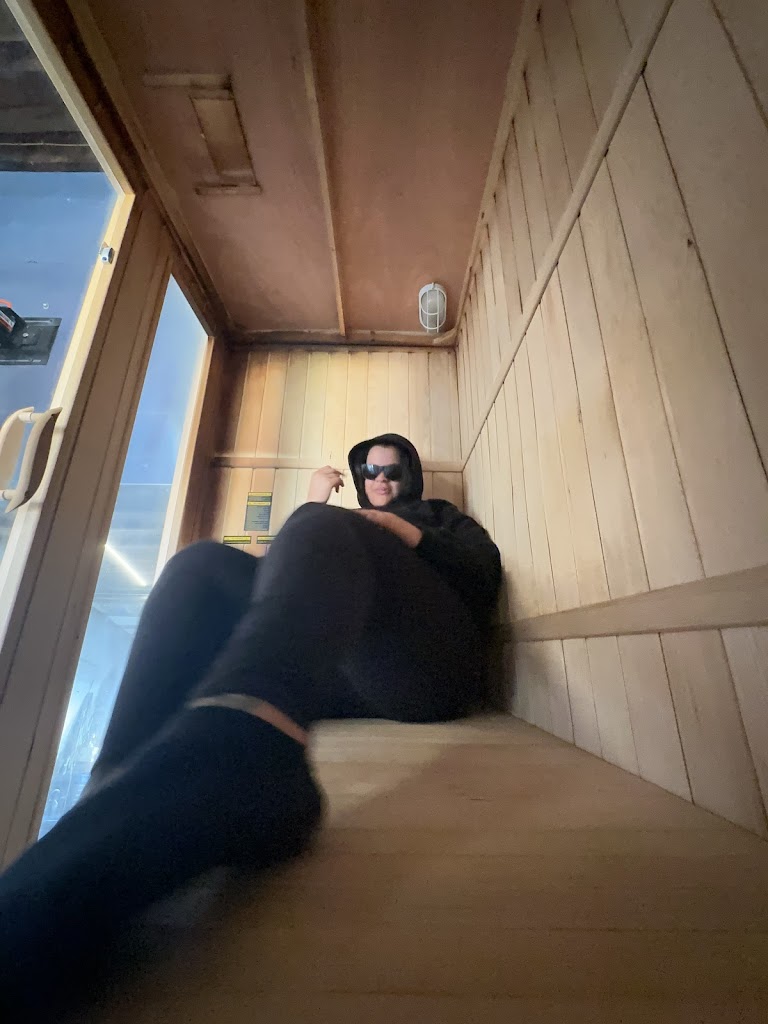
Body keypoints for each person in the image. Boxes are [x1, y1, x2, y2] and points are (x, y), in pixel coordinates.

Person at [0, 432, 500, 1014]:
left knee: (319, 526)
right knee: (200, 565)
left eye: (393, 470)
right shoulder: (337, 528)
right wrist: (311, 515)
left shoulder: (437, 516)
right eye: (370, 470)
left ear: (411, 476)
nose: (381, 479)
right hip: (352, 677)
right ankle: (112, 782)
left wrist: (397, 530)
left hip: (430, 668)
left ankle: (245, 745)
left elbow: (483, 573)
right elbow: (286, 582)